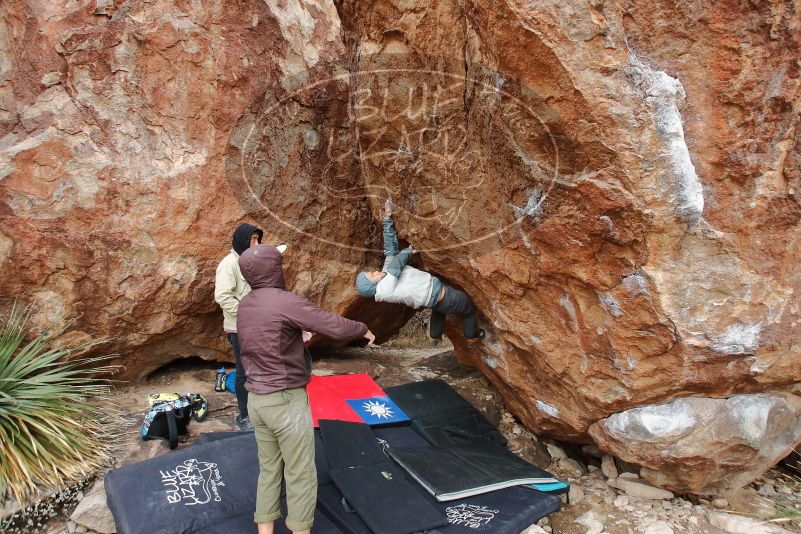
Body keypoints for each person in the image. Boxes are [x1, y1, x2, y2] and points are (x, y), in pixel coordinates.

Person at [237, 244, 375, 534]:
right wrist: (362, 327)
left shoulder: (247, 304)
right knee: (300, 473)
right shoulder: (284, 301)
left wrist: (297, 336)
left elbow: (268, 342)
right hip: (285, 401)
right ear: (274, 270)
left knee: (269, 470)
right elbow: (335, 326)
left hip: (257, 401)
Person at [354, 198, 484, 345]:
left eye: (372, 272)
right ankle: (471, 336)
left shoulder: (385, 276)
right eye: (372, 275)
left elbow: (390, 250)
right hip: (440, 295)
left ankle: (435, 336)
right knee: (468, 308)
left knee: (439, 309)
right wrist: (408, 251)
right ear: (372, 286)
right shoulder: (384, 290)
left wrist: (387, 218)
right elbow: (396, 265)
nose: (375, 272)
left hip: (431, 297)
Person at [214, 222, 270, 431]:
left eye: (257, 239)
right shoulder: (229, 264)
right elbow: (222, 296)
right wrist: (249, 312)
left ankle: (260, 410)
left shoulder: (251, 261)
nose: (255, 244)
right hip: (239, 328)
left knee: (261, 368)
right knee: (244, 372)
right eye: (251, 239)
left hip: (257, 325)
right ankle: (245, 416)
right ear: (241, 241)